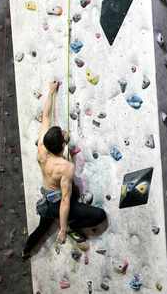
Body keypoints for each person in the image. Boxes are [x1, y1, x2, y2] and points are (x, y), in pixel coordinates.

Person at [21, 78, 107, 261]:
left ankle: (25, 251)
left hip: (48, 200)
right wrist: (62, 229)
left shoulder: (42, 149)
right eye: (64, 133)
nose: (65, 130)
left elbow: (46, 116)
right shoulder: (65, 167)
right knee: (99, 215)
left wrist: (52, 90)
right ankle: (72, 227)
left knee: (41, 229)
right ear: (62, 145)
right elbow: (66, 201)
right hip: (57, 204)